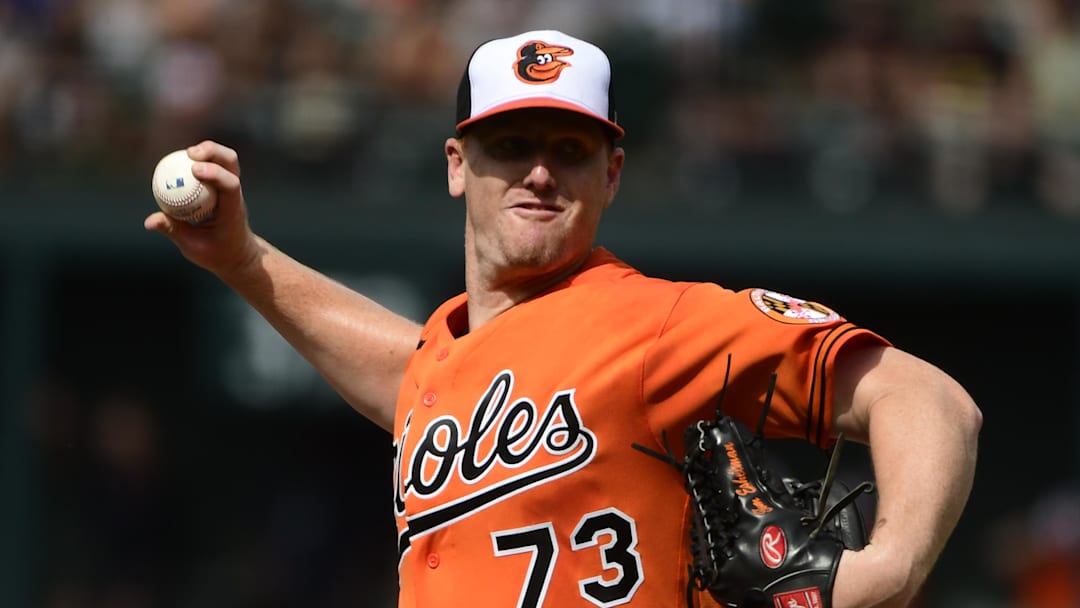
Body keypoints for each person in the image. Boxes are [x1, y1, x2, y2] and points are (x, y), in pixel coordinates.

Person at [145, 29, 982, 608]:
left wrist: (890, 568)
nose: (540, 172)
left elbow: (929, 400)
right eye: (511, 146)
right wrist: (243, 259)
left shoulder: (661, 324)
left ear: (612, 173)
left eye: (570, 150)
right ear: (456, 165)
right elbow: (413, 375)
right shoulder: (448, 359)